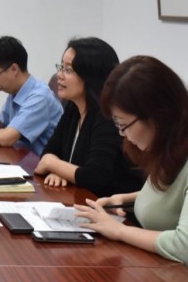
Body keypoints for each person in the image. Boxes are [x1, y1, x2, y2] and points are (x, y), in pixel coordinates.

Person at [75, 56, 188, 265]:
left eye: (123, 125)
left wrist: (119, 230)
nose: (122, 134)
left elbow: (184, 246)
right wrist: (126, 199)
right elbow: (174, 194)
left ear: (158, 115)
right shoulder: (169, 147)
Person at [34, 37, 143, 197]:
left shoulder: (108, 117)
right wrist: (59, 169)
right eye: (61, 67)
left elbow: (94, 177)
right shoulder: (73, 107)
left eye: (68, 70)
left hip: (111, 205)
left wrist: (53, 164)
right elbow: (49, 150)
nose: (59, 75)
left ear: (91, 76)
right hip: (81, 198)